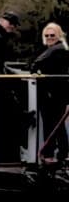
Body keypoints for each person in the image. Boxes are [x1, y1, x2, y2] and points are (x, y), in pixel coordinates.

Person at [31, 22, 69, 163]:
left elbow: (35, 64)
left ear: (59, 35)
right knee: (57, 124)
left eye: (52, 35)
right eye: (46, 35)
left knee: (51, 124)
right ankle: (62, 153)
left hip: (53, 94)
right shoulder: (58, 48)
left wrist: (35, 71)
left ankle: (50, 154)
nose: (49, 37)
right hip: (56, 93)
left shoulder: (57, 49)